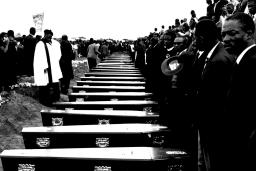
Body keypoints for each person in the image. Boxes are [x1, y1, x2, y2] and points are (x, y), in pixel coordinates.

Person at [194, 18, 235, 171]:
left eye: (195, 37)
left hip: (212, 126)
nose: (194, 41)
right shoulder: (216, 53)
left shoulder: (218, 60)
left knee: (210, 164)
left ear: (201, 37)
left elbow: (215, 100)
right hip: (210, 124)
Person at [222, 12, 256, 171]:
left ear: (249, 33)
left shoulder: (253, 62)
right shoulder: (242, 60)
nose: (226, 39)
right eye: (223, 34)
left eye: (232, 33)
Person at [33, 29, 62, 106]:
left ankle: (55, 99)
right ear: (45, 35)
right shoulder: (40, 44)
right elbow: (39, 57)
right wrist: (44, 66)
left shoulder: (53, 43)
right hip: (44, 69)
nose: (50, 38)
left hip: (53, 68)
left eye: (51, 36)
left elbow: (57, 55)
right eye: (48, 36)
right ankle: (46, 102)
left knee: (54, 83)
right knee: (45, 85)